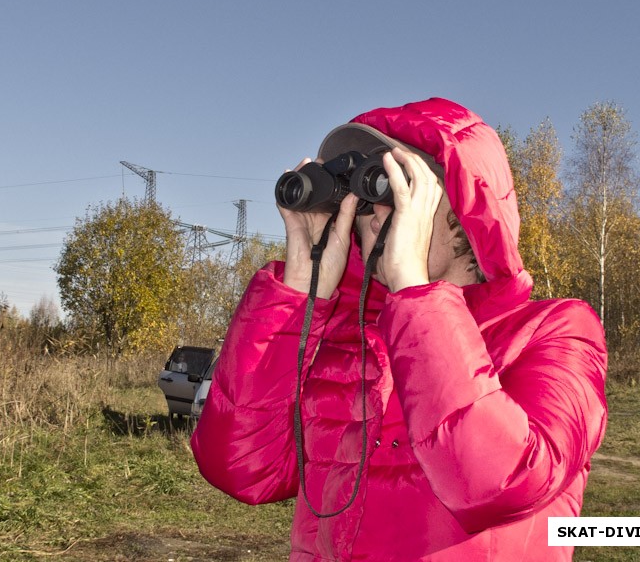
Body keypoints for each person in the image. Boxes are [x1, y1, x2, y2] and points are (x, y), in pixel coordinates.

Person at [191, 97, 607, 561]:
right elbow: (241, 468)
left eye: (396, 188)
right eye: (365, 194)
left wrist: (415, 291)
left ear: (465, 208)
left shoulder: (556, 330)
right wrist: (297, 296)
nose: (374, 215)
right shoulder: (342, 340)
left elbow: (503, 483)